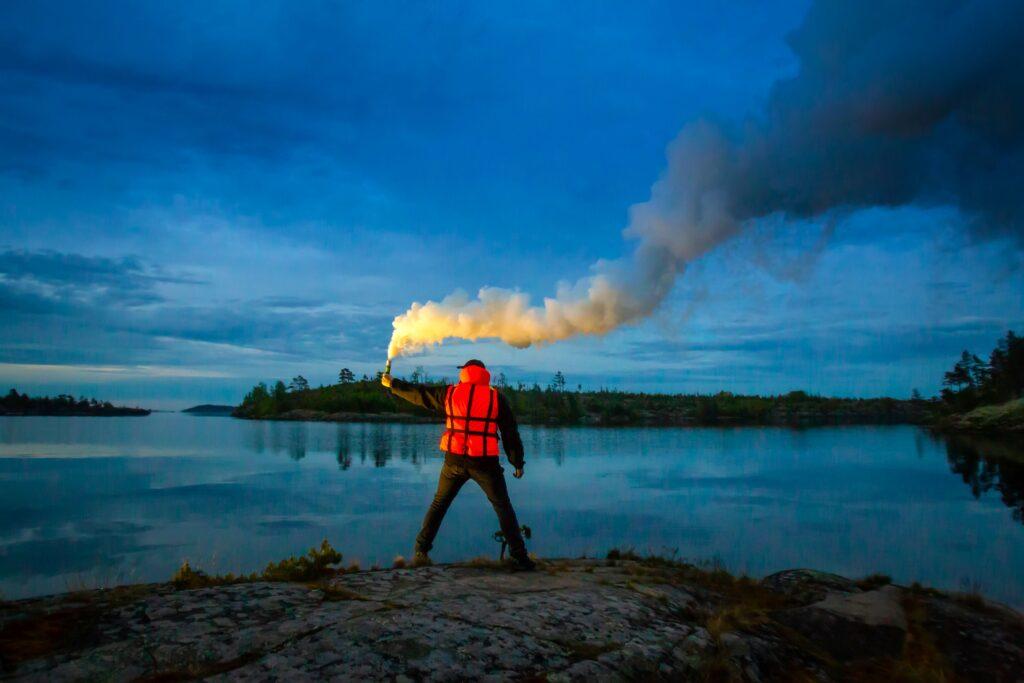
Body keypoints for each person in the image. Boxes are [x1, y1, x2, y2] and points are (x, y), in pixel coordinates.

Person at [382, 359, 535, 570]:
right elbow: (510, 433)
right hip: (484, 463)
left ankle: (420, 552)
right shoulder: (496, 398)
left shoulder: (450, 393)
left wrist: (392, 384)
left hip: (454, 461)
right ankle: (520, 557)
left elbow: (420, 394)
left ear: (465, 372)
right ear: (483, 374)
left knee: (439, 505)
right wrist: (517, 462)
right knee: (503, 507)